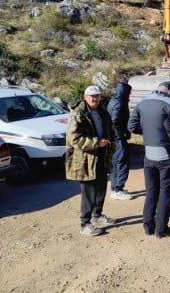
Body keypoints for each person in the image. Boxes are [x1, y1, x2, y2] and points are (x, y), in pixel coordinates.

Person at [128, 81, 170, 238]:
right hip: (166, 154)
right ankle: (161, 228)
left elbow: (131, 127)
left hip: (149, 155)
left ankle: (148, 225)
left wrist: (147, 134)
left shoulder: (142, 102)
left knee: (151, 191)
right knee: (166, 192)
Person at [65, 85, 115, 236]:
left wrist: (112, 145)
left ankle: (97, 215)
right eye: (92, 96)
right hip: (86, 158)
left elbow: (110, 130)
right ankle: (84, 223)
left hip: (102, 155)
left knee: (101, 187)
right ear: (85, 97)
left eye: (97, 96)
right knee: (89, 190)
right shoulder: (78, 113)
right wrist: (95, 142)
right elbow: (74, 139)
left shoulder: (102, 111)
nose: (95, 99)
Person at [107, 72, 133, 200]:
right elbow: (115, 119)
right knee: (121, 162)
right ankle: (118, 188)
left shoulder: (113, 100)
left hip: (114, 137)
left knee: (116, 162)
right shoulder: (120, 103)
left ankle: (115, 187)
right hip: (118, 137)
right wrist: (123, 132)